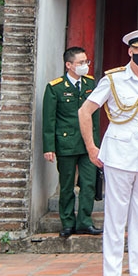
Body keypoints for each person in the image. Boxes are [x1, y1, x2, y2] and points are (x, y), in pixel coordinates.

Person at [79, 29, 138, 276]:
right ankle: (113, 275)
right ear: (130, 51)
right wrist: (91, 147)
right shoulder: (114, 79)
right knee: (116, 217)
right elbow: (85, 111)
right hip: (119, 155)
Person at [42, 46, 102, 238]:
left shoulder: (91, 84)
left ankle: (85, 221)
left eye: (87, 62)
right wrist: (49, 147)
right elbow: (49, 119)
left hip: (87, 144)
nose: (85, 66)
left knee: (89, 183)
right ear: (69, 65)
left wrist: (97, 143)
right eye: (81, 63)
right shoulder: (55, 87)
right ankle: (67, 222)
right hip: (66, 142)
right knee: (67, 184)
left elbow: (95, 117)